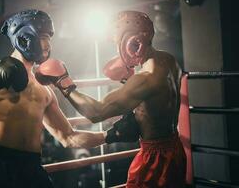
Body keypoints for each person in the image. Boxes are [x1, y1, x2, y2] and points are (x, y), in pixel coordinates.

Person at [0, 9, 106, 188]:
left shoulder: (45, 89)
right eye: (43, 37)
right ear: (24, 37)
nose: (48, 45)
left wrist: (112, 135)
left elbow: (69, 137)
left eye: (49, 38)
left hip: (31, 167)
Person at [34, 10, 187, 188]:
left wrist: (63, 82)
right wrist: (128, 77)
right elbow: (154, 96)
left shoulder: (145, 77)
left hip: (155, 158)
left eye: (117, 42)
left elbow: (96, 112)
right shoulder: (169, 60)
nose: (117, 48)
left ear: (132, 42)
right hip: (175, 148)